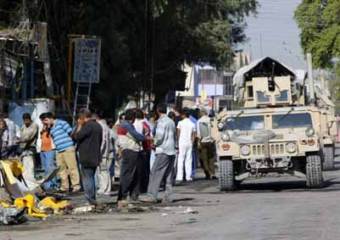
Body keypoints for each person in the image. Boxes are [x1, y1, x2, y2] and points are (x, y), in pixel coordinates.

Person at [141, 103, 176, 202]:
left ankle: (152, 195)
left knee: (155, 172)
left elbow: (159, 137)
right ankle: (168, 196)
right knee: (168, 174)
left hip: (163, 150)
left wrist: (154, 143)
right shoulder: (171, 122)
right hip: (171, 150)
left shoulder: (161, 122)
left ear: (158, 111)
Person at [41, 112, 80, 193]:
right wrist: (46, 128)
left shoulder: (62, 123)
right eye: (43, 121)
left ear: (51, 118)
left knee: (72, 167)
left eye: (46, 120)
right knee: (61, 169)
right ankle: (64, 187)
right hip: (59, 150)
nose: (45, 122)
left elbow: (71, 133)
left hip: (68, 148)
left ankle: (76, 186)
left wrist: (73, 145)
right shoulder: (50, 128)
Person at [116, 109, 145, 209]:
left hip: (127, 150)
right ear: (132, 118)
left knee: (130, 173)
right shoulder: (127, 125)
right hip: (130, 150)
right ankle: (123, 196)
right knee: (128, 174)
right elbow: (138, 136)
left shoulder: (123, 124)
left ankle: (128, 195)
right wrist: (146, 137)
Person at [74, 109, 102, 206]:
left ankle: (90, 199)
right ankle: (92, 198)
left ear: (83, 117)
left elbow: (77, 136)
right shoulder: (98, 126)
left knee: (87, 178)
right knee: (91, 177)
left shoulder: (87, 126)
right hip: (95, 155)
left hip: (86, 155)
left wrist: (79, 126)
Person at [134, 109, 152, 194]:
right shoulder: (146, 123)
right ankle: (145, 186)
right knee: (146, 169)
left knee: (140, 169)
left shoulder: (138, 123)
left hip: (141, 148)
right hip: (147, 148)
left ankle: (140, 187)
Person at [38, 113, 57, 191]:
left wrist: (48, 126)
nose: (43, 122)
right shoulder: (41, 127)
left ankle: (53, 185)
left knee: (50, 168)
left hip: (50, 149)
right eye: (42, 120)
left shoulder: (52, 126)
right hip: (42, 150)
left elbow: (52, 133)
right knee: (45, 168)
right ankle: (47, 186)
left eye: (44, 120)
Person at [176, 108, 196, 183]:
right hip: (189, 143)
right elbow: (194, 134)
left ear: (183, 115)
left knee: (181, 159)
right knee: (188, 159)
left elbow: (178, 133)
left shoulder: (180, 123)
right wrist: (192, 142)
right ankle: (188, 176)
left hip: (182, 142)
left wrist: (178, 142)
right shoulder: (192, 124)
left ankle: (179, 176)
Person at [19, 113, 39, 189]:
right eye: (24, 120)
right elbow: (21, 135)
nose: (25, 121)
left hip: (31, 148)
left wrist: (20, 141)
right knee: (24, 168)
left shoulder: (34, 125)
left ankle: (32, 185)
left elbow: (31, 137)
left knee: (30, 167)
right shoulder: (23, 126)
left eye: (27, 119)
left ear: (30, 119)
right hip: (23, 149)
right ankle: (26, 185)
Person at [94, 112, 112, 195]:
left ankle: (105, 188)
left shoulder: (102, 126)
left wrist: (99, 151)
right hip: (103, 153)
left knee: (103, 171)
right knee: (102, 171)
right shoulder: (105, 126)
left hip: (102, 153)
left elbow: (103, 141)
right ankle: (104, 187)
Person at [197, 108, 216, 179]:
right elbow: (214, 130)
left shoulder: (199, 121)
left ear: (201, 113)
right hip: (210, 141)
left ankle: (208, 173)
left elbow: (199, 133)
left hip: (203, 142)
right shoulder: (211, 120)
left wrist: (198, 142)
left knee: (204, 159)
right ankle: (213, 173)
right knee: (211, 158)